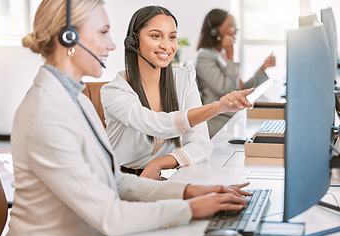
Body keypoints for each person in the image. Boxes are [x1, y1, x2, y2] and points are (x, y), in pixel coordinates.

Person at [5, 1, 252, 236]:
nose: (112, 45)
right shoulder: (45, 113)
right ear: (68, 37)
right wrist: (193, 208)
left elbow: (116, 181)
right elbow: (110, 216)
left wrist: (190, 192)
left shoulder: (77, 99)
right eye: (103, 32)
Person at [101, 5, 254, 181]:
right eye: (156, 36)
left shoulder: (182, 79)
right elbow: (156, 124)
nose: (167, 45)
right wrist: (217, 107)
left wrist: (158, 163)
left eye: (172, 37)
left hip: (157, 179)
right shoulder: (115, 91)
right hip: (116, 182)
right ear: (134, 40)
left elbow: (202, 143)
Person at [196, 8, 276, 137]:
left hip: (232, 119)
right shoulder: (204, 56)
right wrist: (231, 56)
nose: (236, 30)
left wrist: (263, 68)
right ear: (215, 31)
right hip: (219, 123)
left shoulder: (221, 54)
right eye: (232, 25)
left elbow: (238, 89)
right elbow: (226, 91)